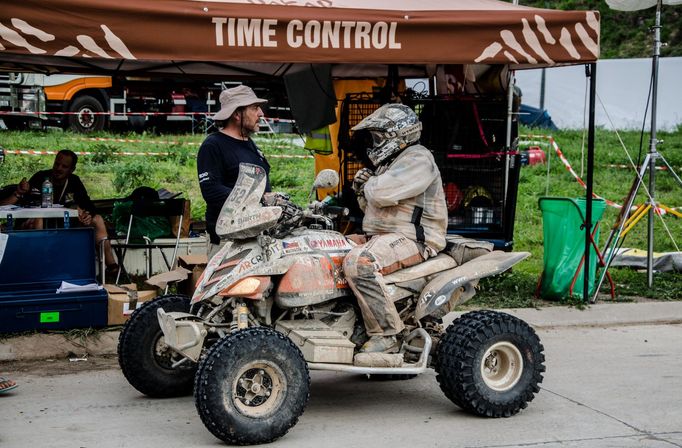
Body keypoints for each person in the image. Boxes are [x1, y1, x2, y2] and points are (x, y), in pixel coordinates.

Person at [343, 103, 448, 353]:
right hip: (383, 236)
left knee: (360, 262)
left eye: (379, 137)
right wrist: (361, 189)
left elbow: (382, 193)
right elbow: (373, 205)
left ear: (397, 135)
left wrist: (369, 184)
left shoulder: (418, 158)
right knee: (325, 248)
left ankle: (386, 334)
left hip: (414, 239)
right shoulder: (390, 163)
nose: (374, 143)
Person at [197, 85, 271, 257]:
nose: (260, 113)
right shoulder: (213, 146)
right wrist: (259, 200)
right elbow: (212, 191)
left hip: (256, 236)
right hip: (227, 241)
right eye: (254, 108)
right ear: (237, 114)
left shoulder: (250, 144)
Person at [24, 150, 117, 274]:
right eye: (57, 164)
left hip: (64, 224)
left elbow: (88, 204)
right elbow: (27, 201)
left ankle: (112, 267)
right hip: (38, 222)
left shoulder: (74, 181)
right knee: (38, 219)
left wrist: (88, 215)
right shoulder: (41, 177)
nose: (59, 168)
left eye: (64, 166)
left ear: (72, 169)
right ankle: (41, 267)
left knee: (97, 219)